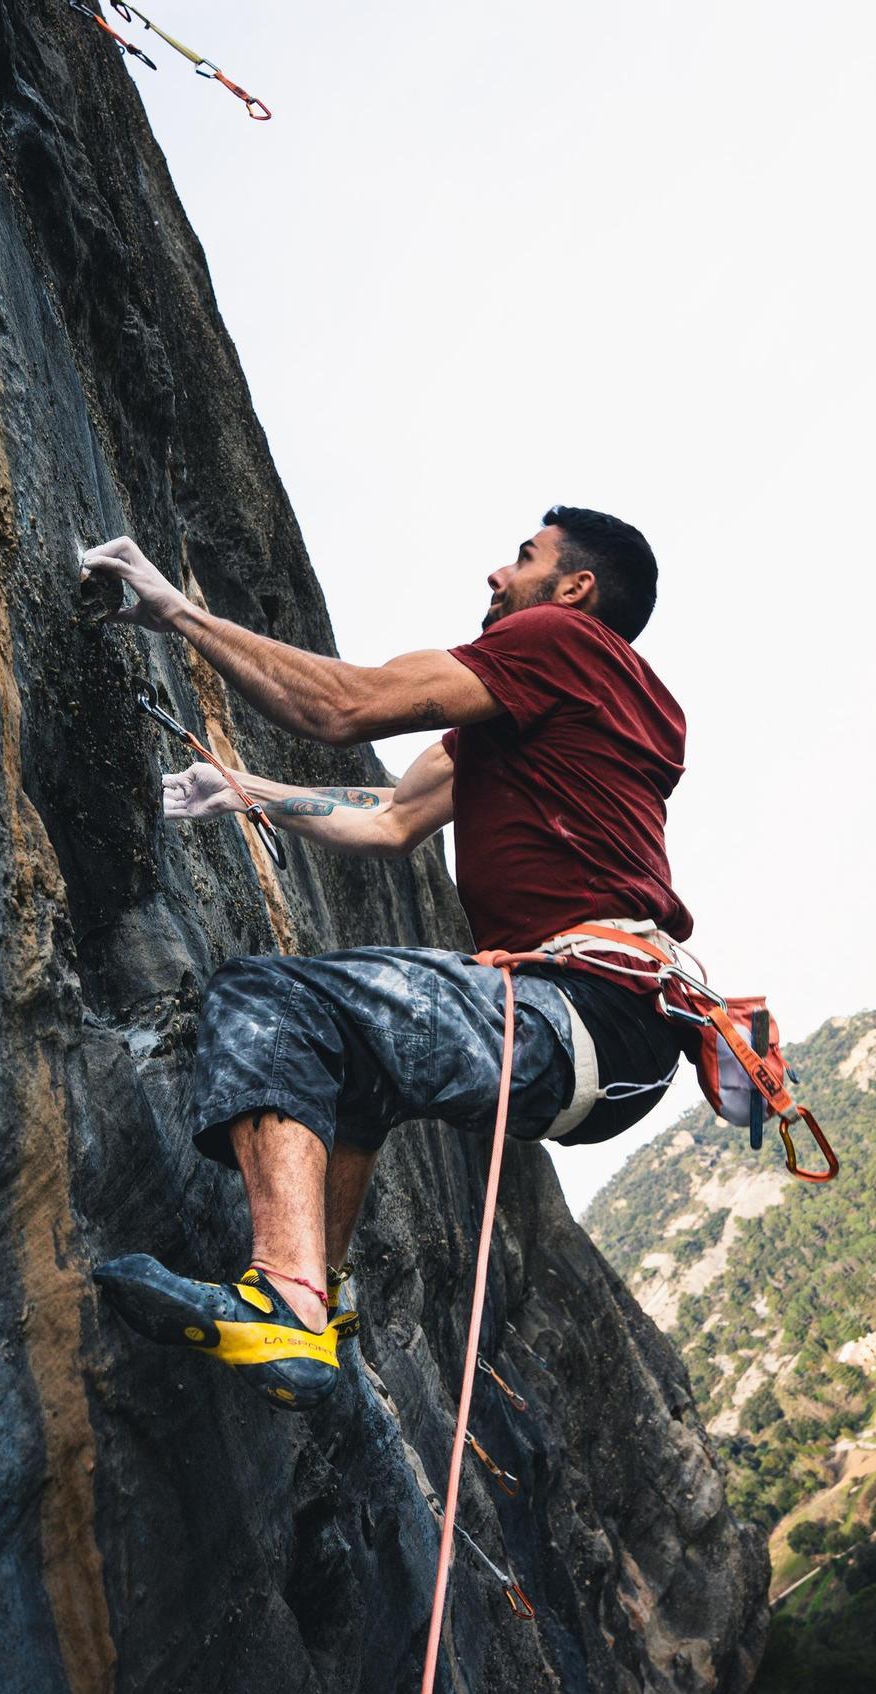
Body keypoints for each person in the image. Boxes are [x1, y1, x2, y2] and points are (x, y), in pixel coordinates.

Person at [86, 507, 692, 1410]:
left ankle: (287, 1303)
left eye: (523, 559)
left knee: (280, 1001)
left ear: (574, 590)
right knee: (359, 1074)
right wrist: (247, 791)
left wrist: (175, 610)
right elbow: (394, 818)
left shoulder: (562, 642)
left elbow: (343, 707)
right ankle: (318, 1309)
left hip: (584, 1010)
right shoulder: (563, 710)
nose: (497, 574)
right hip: (621, 1048)